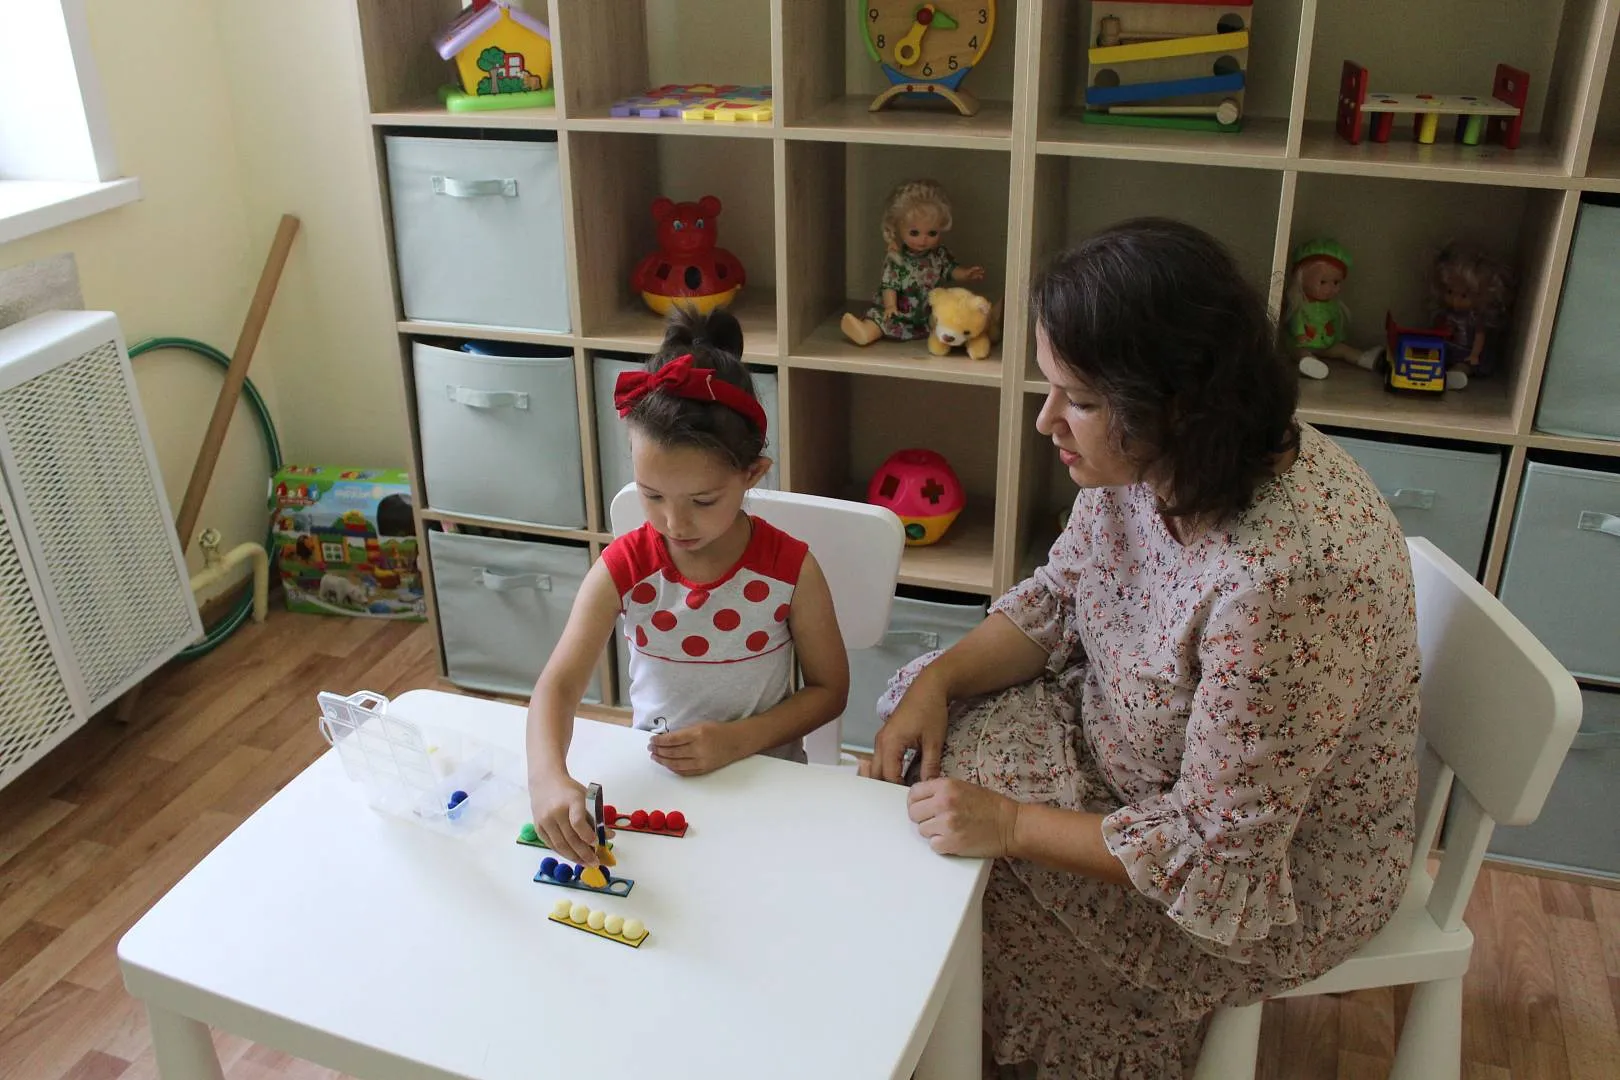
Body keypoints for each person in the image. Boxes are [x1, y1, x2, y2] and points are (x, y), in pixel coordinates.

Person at [867, 219, 1422, 1079]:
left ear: (1178, 404)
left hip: (1265, 883)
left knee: (963, 896)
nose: (1047, 420)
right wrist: (936, 682)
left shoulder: (1289, 582)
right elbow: (1061, 597)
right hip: (1130, 758)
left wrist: (1009, 824)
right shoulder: (1163, 459)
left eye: (1079, 401)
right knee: (920, 783)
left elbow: (1220, 849)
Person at [526, 307, 849, 868]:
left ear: (752, 474)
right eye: (651, 495)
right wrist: (547, 778)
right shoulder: (624, 566)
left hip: (769, 785)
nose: (674, 523)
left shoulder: (790, 569)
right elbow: (557, 686)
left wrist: (739, 739)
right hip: (661, 788)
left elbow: (830, 690)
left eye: (702, 501)